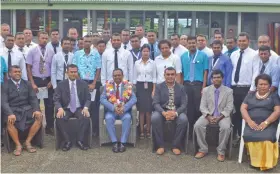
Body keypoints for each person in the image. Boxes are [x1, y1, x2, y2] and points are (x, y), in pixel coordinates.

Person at [241, 74, 280, 171]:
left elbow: (277, 111)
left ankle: (266, 163)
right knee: (250, 136)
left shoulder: (274, 96)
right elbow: (243, 108)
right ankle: (254, 161)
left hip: (268, 124)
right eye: (260, 84)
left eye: (265, 84)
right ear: (256, 85)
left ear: (270, 85)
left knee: (267, 138)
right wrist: (249, 121)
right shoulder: (250, 95)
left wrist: (266, 122)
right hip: (252, 123)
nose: (263, 86)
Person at [1, 65, 42, 156]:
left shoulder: (27, 83)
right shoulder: (5, 85)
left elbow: (33, 98)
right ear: (10, 73)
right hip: (13, 110)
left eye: (19, 71)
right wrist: (10, 113)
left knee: (39, 117)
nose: (18, 73)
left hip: (26, 109)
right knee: (9, 121)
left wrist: (36, 109)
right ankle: (18, 145)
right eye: (15, 72)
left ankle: (27, 142)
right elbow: (4, 102)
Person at [194, 70, 234, 162]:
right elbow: (202, 106)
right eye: (214, 78)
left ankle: (221, 151)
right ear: (211, 79)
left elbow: (229, 107)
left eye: (218, 77)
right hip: (208, 115)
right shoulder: (206, 90)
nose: (216, 79)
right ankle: (203, 149)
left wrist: (219, 117)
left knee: (226, 127)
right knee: (198, 125)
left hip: (222, 116)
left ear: (222, 79)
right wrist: (208, 116)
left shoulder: (229, 91)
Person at [53, 64, 91, 151]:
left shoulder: (83, 84)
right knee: (60, 117)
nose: (74, 74)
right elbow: (56, 99)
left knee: (85, 117)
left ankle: (80, 140)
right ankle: (67, 141)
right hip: (66, 108)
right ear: (67, 73)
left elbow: (88, 98)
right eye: (71, 72)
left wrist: (85, 108)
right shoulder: (61, 84)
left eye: (75, 72)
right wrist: (60, 108)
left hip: (79, 108)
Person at [151, 67, 188, 155]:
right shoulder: (159, 87)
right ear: (164, 75)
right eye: (168, 74)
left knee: (183, 119)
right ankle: (160, 146)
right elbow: (155, 103)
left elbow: (184, 104)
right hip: (163, 111)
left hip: (176, 111)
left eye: (172, 74)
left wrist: (175, 113)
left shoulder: (181, 88)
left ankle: (175, 145)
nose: (170, 76)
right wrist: (164, 113)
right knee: (155, 118)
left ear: (175, 75)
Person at [100, 68, 137, 153]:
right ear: (112, 76)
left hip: (124, 111)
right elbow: (102, 99)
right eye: (115, 75)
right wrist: (113, 108)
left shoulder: (128, 85)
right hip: (112, 111)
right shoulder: (107, 85)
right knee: (108, 118)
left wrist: (124, 107)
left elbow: (134, 99)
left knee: (127, 118)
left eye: (119, 75)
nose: (117, 77)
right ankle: (114, 143)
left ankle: (123, 143)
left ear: (122, 76)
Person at [26, 31, 56, 136]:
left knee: (49, 105)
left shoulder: (51, 51)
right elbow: (28, 67)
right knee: (36, 105)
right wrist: (32, 83)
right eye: (42, 38)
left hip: (47, 80)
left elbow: (53, 67)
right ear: (38, 38)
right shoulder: (32, 50)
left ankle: (49, 127)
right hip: (36, 79)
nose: (44, 40)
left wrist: (52, 80)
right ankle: (37, 127)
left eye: (46, 38)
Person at [73, 35, 101, 136]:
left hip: (93, 83)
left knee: (93, 106)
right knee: (82, 105)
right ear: (82, 42)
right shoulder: (77, 54)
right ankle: (83, 130)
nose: (87, 43)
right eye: (85, 41)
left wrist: (94, 83)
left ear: (91, 43)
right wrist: (80, 82)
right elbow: (74, 70)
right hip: (80, 82)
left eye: (89, 41)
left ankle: (94, 130)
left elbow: (98, 68)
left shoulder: (96, 53)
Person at [231, 32, 256, 141]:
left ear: (248, 41)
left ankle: (244, 137)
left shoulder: (254, 54)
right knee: (234, 113)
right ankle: (235, 136)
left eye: (243, 41)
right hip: (234, 88)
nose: (241, 43)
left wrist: (252, 89)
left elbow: (256, 72)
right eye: (239, 41)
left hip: (247, 89)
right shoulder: (234, 54)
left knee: (245, 114)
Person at [181, 36, 208, 134]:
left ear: (196, 43)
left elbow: (205, 72)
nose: (192, 45)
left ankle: (198, 131)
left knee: (198, 108)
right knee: (188, 109)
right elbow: (182, 73)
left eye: (193, 42)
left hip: (198, 85)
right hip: (187, 84)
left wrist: (204, 87)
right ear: (187, 44)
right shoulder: (183, 56)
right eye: (190, 43)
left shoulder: (203, 55)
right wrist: (181, 87)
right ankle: (189, 132)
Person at [133, 44, 156, 139]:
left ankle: (148, 131)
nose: (145, 53)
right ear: (141, 52)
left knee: (149, 110)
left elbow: (154, 77)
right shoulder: (137, 63)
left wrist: (154, 90)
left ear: (149, 52)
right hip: (140, 86)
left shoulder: (153, 63)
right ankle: (141, 131)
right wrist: (134, 90)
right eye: (144, 51)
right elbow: (134, 77)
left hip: (150, 86)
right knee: (141, 110)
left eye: (147, 51)